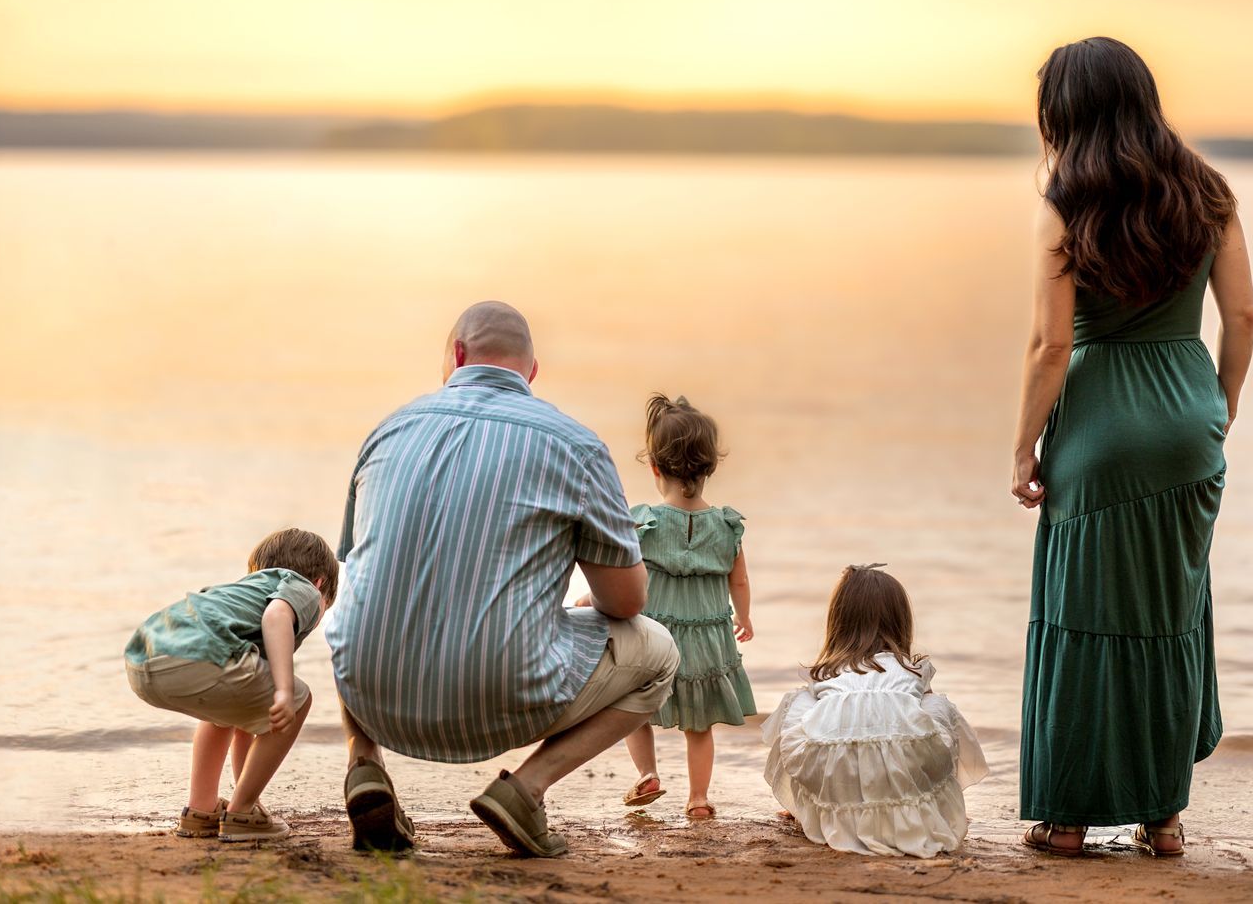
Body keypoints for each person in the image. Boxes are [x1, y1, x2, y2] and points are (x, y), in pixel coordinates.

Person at [1011, 36, 1253, 858]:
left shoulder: (1064, 205)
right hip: (1189, 423)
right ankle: (1164, 819)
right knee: (1168, 614)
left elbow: (1050, 347)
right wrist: (1215, 408)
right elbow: (1245, 319)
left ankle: (1070, 819)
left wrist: (1022, 449)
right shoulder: (1209, 192)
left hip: (1099, 429)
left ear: (1066, 112)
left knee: (1084, 613)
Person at [325, 301, 681, 857]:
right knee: (658, 654)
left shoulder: (389, 429)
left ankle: (364, 761)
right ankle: (525, 790)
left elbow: (356, 565)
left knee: (364, 604)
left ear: (457, 356)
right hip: (501, 699)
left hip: (372, 694)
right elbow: (627, 600)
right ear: (531, 373)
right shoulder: (575, 445)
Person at [123, 527, 337, 843]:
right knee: (299, 700)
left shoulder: (239, 592)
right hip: (203, 655)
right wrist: (283, 690)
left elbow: (245, 725)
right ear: (320, 583)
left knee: (226, 715)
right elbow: (277, 616)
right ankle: (243, 812)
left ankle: (201, 809)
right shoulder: (301, 587)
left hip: (144, 658)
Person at [761, 564, 987, 857]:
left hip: (836, 784)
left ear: (838, 622)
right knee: (936, 707)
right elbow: (918, 732)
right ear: (900, 621)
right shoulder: (913, 670)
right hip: (901, 781)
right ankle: (929, 805)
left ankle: (802, 804)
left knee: (797, 703)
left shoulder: (827, 673)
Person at [610, 394, 756, 819]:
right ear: (710, 466)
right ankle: (698, 798)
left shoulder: (644, 523)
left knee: (634, 706)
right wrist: (743, 616)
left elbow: (623, 573)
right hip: (706, 639)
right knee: (699, 725)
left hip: (653, 635)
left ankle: (648, 773)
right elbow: (739, 578)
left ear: (655, 467)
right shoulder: (727, 525)